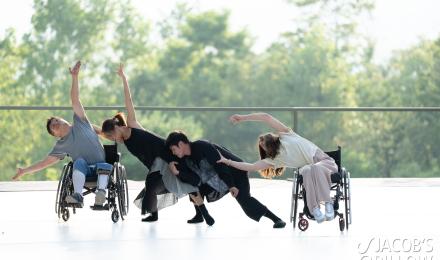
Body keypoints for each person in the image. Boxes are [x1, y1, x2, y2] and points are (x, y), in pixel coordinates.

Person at [101, 64, 214, 224]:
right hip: (155, 165)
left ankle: (202, 214)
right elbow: (101, 131)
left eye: (112, 135)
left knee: (186, 182)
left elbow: (129, 101)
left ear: (118, 126)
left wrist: (124, 79)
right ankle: (154, 215)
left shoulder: (132, 124)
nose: (113, 139)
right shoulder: (123, 139)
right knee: (152, 186)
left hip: (167, 156)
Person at [12, 61, 111, 207]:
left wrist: (75, 77)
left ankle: (101, 194)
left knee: (105, 165)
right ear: (56, 135)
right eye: (53, 125)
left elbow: (75, 100)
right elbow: (43, 163)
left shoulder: (80, 121)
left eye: (57, 120)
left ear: (64, 120)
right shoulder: (61, 145)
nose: (56, 122)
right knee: (78, 162)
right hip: (84, 170)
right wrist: (24, 171)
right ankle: (78, 195)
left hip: (100, 165)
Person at [216, 112, 338, 223]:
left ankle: (328, 203)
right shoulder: (273, 160)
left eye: (263, 139)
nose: (262, 140)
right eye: (262, 143)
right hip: (309, 171)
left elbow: (266, 117)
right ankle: (315, 209)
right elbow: (251, 167)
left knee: (313, 168)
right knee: (306, 170)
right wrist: (228, 161)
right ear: (267, 149)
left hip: (325, 163)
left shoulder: (287, 135)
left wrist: (243, 118)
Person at [165, 131, 287, 229]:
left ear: (180, 144)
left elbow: (221, 166)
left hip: (236, 171)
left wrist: (231, 185)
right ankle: (199, 215)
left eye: (173, 149)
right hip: (218, 177)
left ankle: (276, 219)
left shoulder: (202, 146)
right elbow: (195, 180)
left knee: (245, 201)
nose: (173, 153)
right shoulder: (186, 158)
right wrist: (177, 172)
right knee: (195, 188)